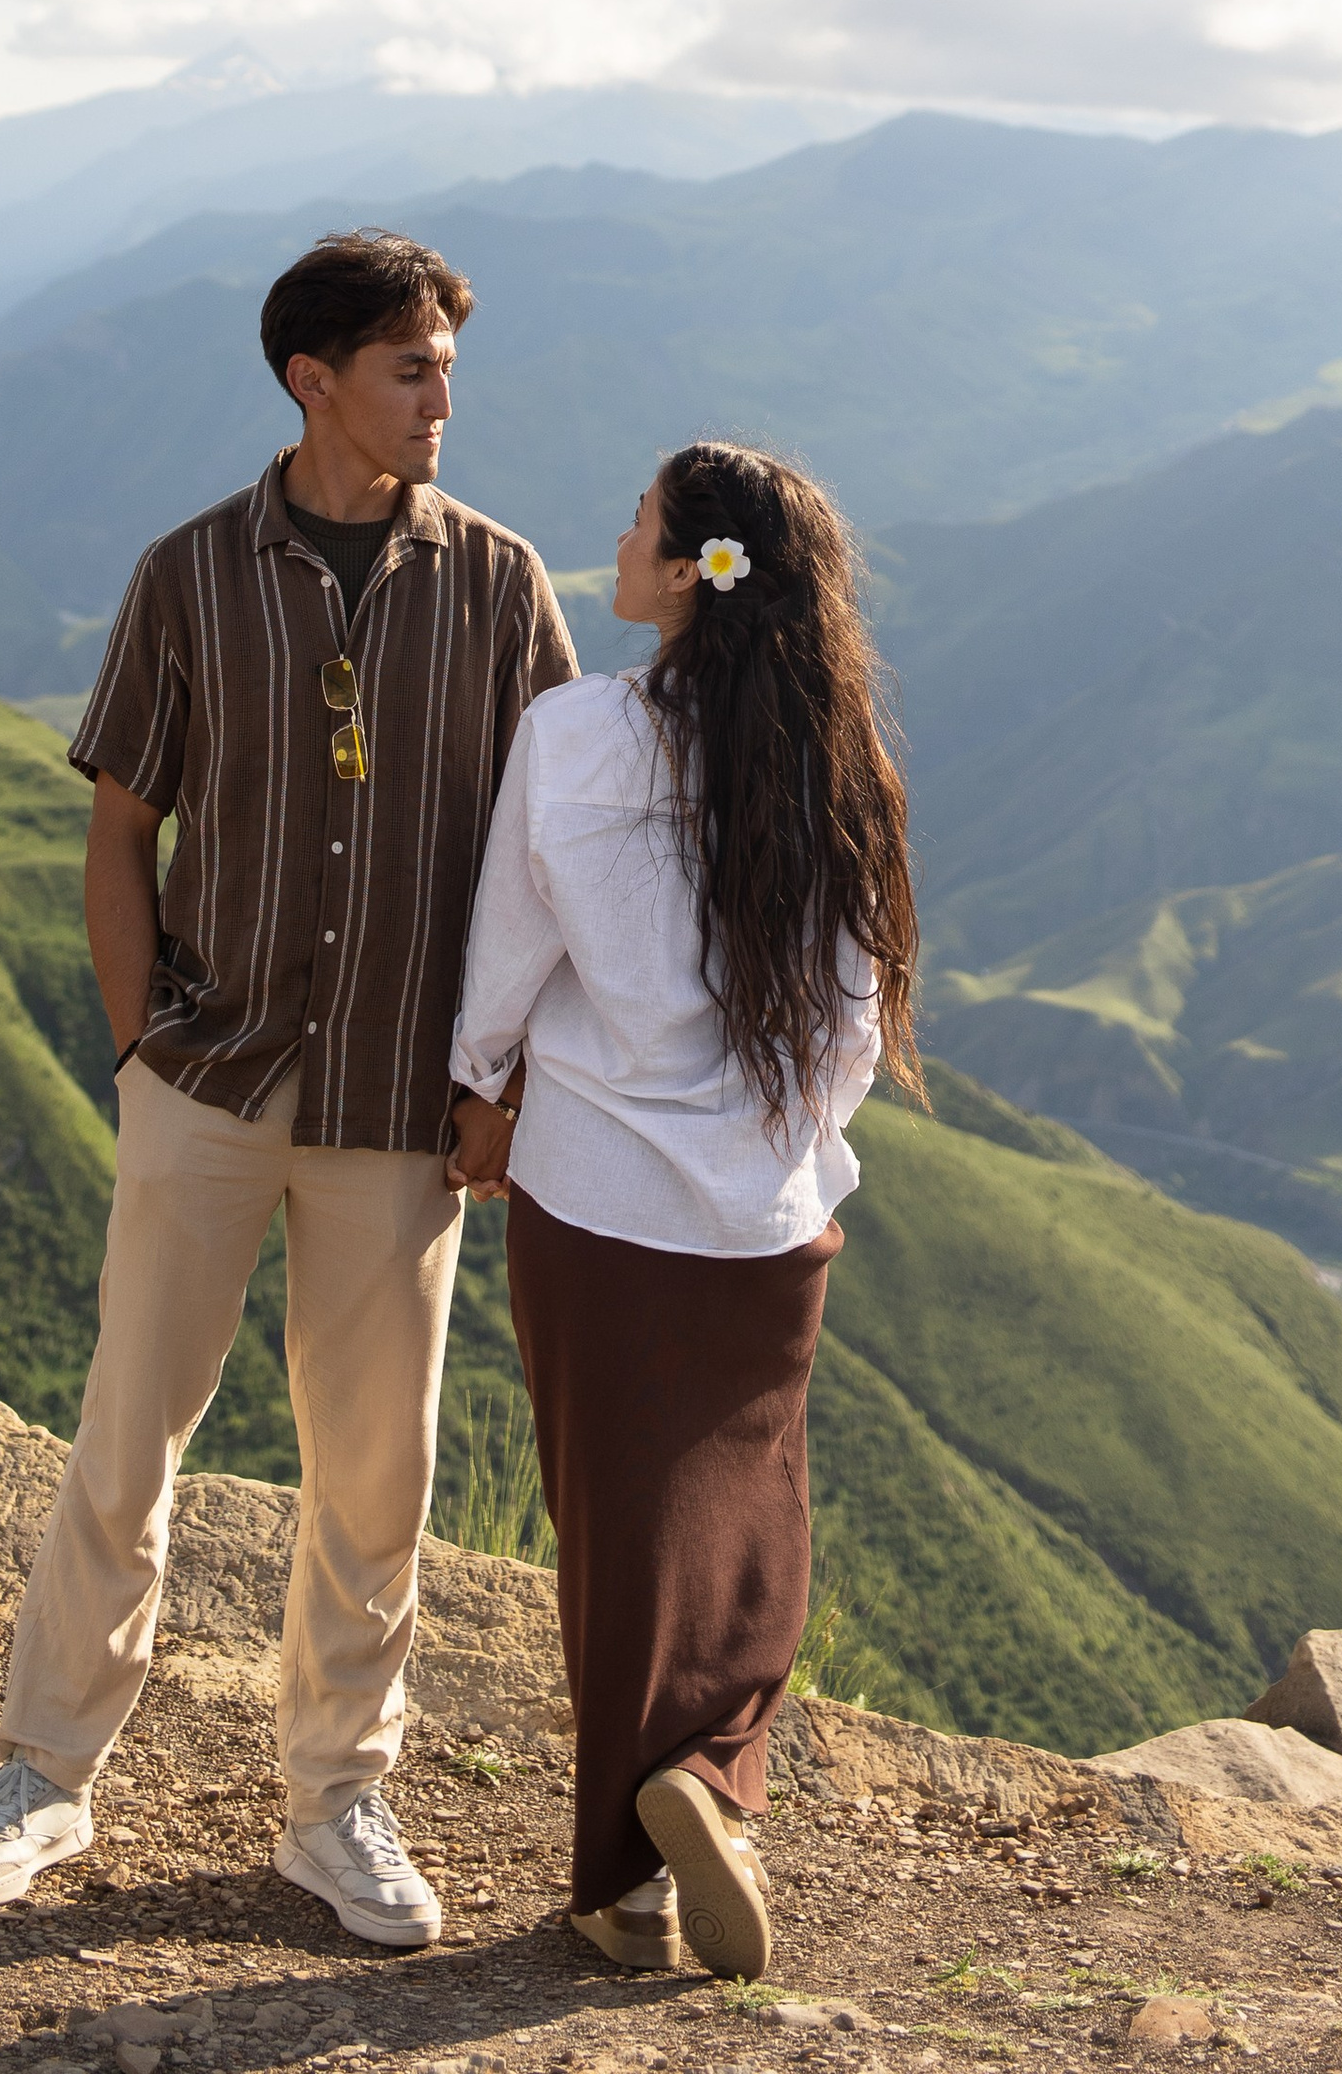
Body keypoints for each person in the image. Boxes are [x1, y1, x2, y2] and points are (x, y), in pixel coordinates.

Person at [0, 228, 577, 1940]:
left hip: (402, 1099)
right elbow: (121, 823)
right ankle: (46, 1775)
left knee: (378, 1469)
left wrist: (503, 1077)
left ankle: (338, 1803)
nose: (444, 396)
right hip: (210, 1074)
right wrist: (144, 1038)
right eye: (411, 367)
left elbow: (551, 853)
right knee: (128, 1430)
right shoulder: (190, 573)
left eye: (446, 362)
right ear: (316, 382)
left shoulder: (502, 584)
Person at [446, 442, 924, 1980]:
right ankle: (711, 1773)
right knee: (747, 1512)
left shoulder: (577, 732)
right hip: (765, 1214)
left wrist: (476, 1087)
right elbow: (856, 1014)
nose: (618, 534)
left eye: (640, 522)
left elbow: (507, 952)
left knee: (619, 1528)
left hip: (590, 1197)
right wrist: (774, 1137)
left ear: (689, 570)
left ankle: (623, 1884)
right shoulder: (831, 756)